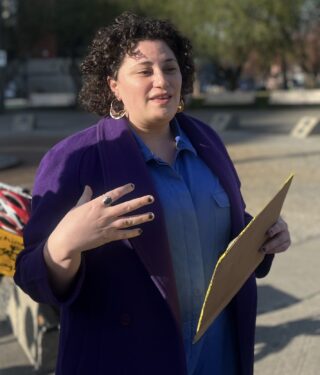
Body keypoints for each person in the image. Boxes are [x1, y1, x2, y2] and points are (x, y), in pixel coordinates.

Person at [14, 12, 291, 375]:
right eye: (144, 71)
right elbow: (32, 276)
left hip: (219, 357)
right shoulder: (73, 159)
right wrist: (63, 244)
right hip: (127, 360)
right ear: (113, 84)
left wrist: (265, 235)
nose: (161, 80)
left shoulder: (208, 141)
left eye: (170, 68)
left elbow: (218, 227)